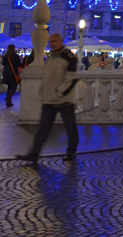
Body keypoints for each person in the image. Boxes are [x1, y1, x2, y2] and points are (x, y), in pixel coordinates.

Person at [16, 34, 79, 164]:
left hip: (64, 100)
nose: (52, 43)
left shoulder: (69, 57)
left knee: (70, 128)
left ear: (61, 41)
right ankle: (33, 154)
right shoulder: (51, 57)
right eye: (51, 41)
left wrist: (60, 92)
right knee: (43, 128)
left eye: (55, 41)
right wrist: (44, 92)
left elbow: (72, 78)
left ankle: (71, 151)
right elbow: (48, 77)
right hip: (49, 99)